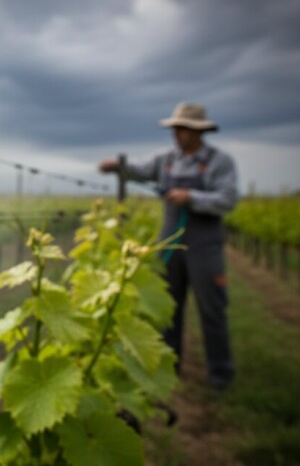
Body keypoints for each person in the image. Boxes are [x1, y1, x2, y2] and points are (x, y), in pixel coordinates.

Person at [99, 102, 239, 390]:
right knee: (167, 307)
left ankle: (220, 373)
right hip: (169, 242)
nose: (176, 133)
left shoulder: (218, 161)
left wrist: (191, 197)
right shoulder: (166, 159)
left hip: (204, 245)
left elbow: (227, 199)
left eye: (182, 128)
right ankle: (169, 367)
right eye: (175, 128)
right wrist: (118, 167)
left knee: (212, 307)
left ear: (199, 131)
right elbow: (139, 169)